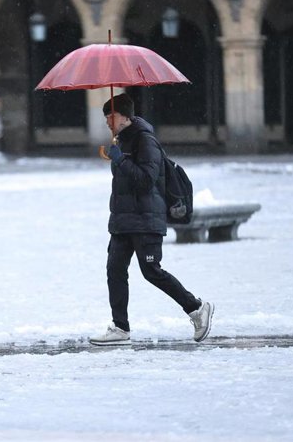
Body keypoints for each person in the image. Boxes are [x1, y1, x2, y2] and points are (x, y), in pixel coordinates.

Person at [89, 93, 214, 345]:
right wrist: (119, 158)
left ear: (125, 116)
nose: (107, 122)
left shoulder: (145, 140)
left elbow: (146, 180)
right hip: (124, 219)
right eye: (105, 117)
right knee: (114, 270)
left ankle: (197, 308)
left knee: (151, 271)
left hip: (146, 218)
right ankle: (120, 327)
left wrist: (120, 160)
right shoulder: (122, 140)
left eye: (110, 116)